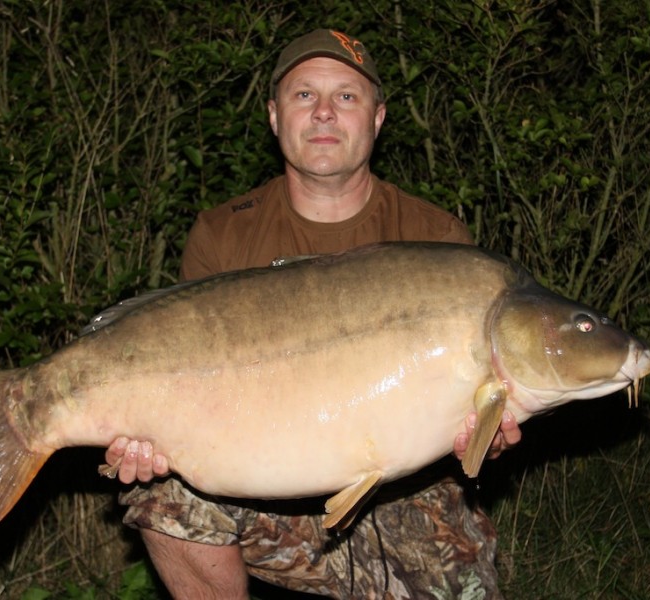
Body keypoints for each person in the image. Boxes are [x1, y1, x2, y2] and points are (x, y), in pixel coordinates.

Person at [104, 29, 521, 599]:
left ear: (377, 118)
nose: (325, 112)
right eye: (305, 96)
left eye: (347, 97)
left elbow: (468, 427)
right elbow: (187, 383)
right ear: (275, 116)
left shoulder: (437, 238)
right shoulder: (224, 234)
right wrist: (150, 439)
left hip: (408, 496)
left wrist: (487, 433)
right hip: (264, 484)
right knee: (162, 497)